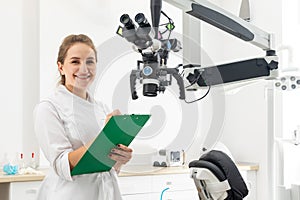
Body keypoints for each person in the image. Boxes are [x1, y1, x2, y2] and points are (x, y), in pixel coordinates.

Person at [34, 34, 132, 199]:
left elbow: (106, 164)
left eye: (90, 61)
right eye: (75, 62)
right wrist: (106, 137)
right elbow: (62, 165)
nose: (84, 69)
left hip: (106, 192)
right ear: (60, 67)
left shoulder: (101, 108)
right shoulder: (48, 107)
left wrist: (120, 158)